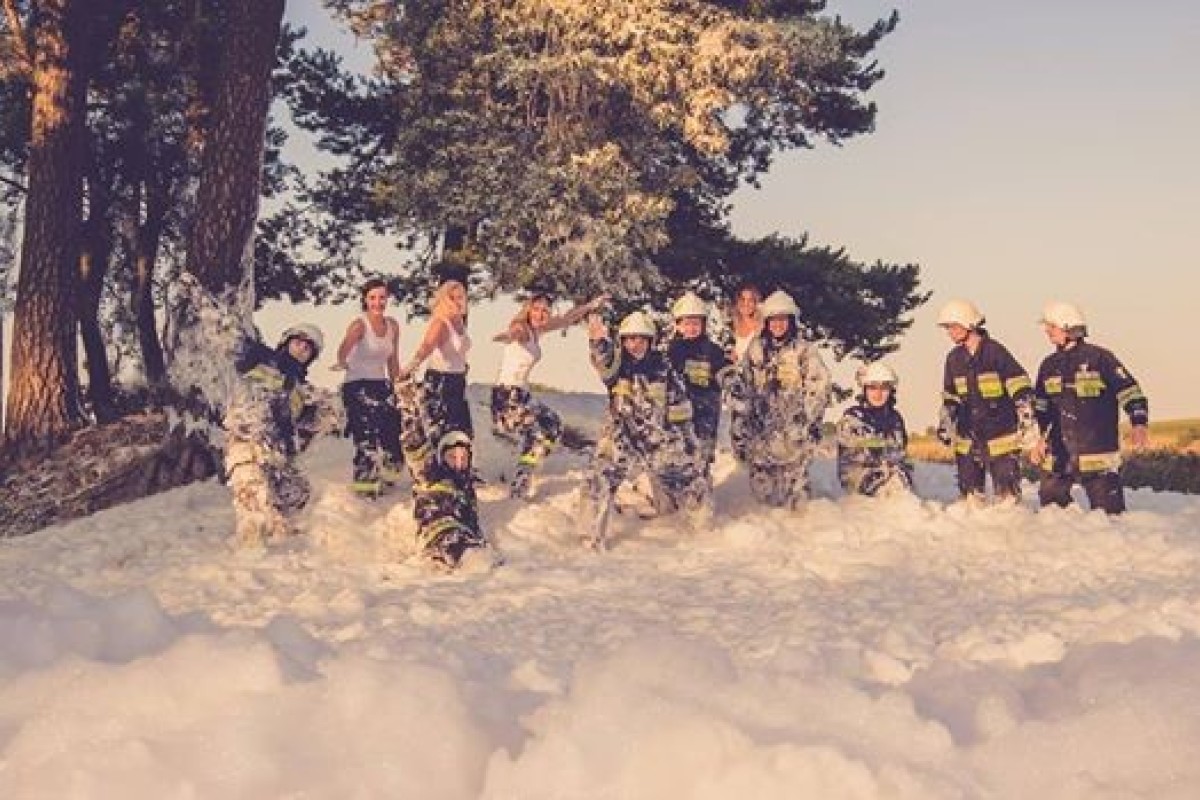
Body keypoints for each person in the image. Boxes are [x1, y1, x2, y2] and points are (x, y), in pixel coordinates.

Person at [579, 310, 712, 550]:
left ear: (650, 341)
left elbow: (681, 410)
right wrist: (597, 341)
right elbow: (602, 361)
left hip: (657, 439)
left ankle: (702, 534)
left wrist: (688, 445)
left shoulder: (664, 369)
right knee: (598, 478)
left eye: (641, 339)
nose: (635, 344)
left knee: (691, 478)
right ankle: (590, 538)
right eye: (629, 339)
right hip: (621, 437)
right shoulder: (616, 366)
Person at [224, 324, 342, 547]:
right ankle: (249, 557)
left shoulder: (302, 389)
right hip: (248, 442)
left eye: (307, 349)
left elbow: (302, 425)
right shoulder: (262, 358)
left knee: (298, 494)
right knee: (253, 507)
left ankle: (279, 537)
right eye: (297, 343)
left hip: (277, 452)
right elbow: (242, 366)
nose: (301, 350)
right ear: (286, 342)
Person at [1029, 301, 1149, 514]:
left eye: (1052, 326)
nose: (1047, 331)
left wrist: (1139, 423)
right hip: (1058, 456)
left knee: (1110, 520)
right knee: (1052, 520)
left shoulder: (1101, 359)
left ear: (1069, 328)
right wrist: (1038, 439)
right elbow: (1041, 408)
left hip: (1098, 456)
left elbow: (1131, 392)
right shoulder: (1048, 365)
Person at [491, 291, 608, 500]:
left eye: (545, 311)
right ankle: (520, 484)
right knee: (540, 431)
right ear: (528, 309)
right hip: (507, 397)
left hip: (522, 394)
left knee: (552, 425)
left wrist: (591, 304)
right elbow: (515, 331)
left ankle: (524, 473)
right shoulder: (523, 328)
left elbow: (567, 318)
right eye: (536, 309)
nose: (540, 314)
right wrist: (508, 336)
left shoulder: (539, 331)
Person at [726, 290, 832, 509]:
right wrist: (741, 425)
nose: (777, 325)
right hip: (761, 437)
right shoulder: (756, 349)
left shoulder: (804, 350)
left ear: (791, 321)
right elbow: (741, 385)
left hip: (794, 438)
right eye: (773, 320)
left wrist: (805, 420)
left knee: (795, 500)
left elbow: (820, 386)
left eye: (782, 319)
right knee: (764, 503)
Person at [935, 299, 1039, 504]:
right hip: (967, 443)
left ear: (969, 324)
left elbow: (1020, 386)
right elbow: (950, 397)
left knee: (1009, 504)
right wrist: (945, 422)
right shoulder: (953, 359)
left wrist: (1026, 415)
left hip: (1001, 440)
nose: (949, 332)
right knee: (970, 504)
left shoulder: (995, 352)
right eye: (947, 328)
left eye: (953, 327)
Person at [392, 377, 494, 571]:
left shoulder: (466, 484)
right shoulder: (431, 472)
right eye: (452, 456)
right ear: (441, 457)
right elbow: (414, 445)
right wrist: (408, 409)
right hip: (438, 536)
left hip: (464, 540)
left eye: (463, 457)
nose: (458, 462)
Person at [333, 278, 404, 495]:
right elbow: (343, 349)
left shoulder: (392, 325)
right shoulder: (359, 325)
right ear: (365, 300)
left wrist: (399, 386)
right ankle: (365, 488)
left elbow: (392, 360)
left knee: (393, 434)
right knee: (367, 438)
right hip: (357, 386)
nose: (378, 302)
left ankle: (390, 479)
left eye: (382, 298)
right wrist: (343, 360)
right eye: (373, 298)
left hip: (381, 384)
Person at [398, 278, 473, 442]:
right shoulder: (440, 323)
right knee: (442, 432)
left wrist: (463, 367)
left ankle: (460, 466)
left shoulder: (460, 322)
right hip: (440, 382)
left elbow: (457, 352)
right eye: (452, 298)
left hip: (457, 381)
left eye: (461, 297)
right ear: (444, 300)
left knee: (462, 434)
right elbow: (427, 346)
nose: (458, 302)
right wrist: (412, 365)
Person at [666, 291, 731, 473]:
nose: (691, 328)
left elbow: (724, 369)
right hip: (677, 417)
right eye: (687, 323)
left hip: (705, 416)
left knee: (701, 460)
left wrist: (730, 378)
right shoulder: (671, 351)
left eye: (696, 323)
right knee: (677, 458)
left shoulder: (712, 351)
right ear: (678, 326)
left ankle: (703, 491)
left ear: (703, 325)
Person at [836, 361, 913, 497]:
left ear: (891, 391)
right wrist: (882, 444)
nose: (878, 393)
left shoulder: (895, 418)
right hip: (861, 485)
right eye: (872, 387)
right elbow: (855, 449)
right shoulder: (852, 417)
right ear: (864, 390)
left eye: (884, 388)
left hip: (892, 481)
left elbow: (901, 452)